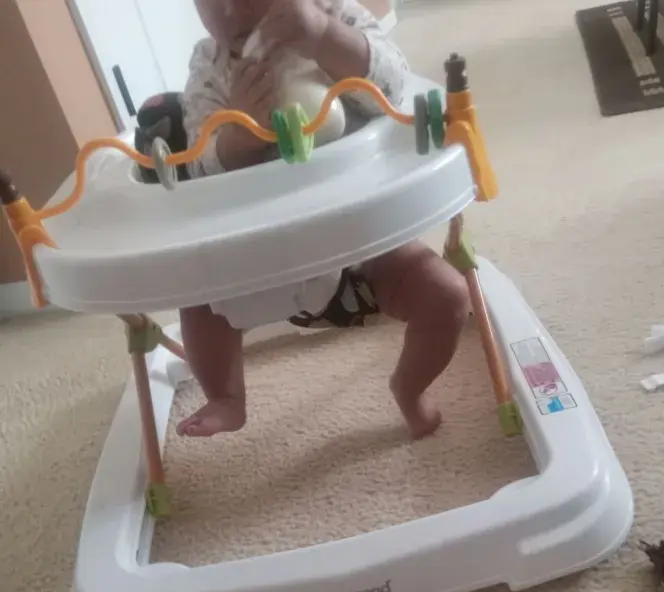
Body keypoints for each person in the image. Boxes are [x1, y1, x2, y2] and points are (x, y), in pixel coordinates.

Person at [179, 0, 470, 440]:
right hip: (261, 260)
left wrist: (325, 36)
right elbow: (198, 166)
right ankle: (226, 397)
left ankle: (410, 388)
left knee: (446, 297)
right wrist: (236, 134)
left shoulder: (334, 15)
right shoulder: (210, 65)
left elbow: (394, 83)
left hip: (363, 246)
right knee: (194, 294)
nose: (229, 11)